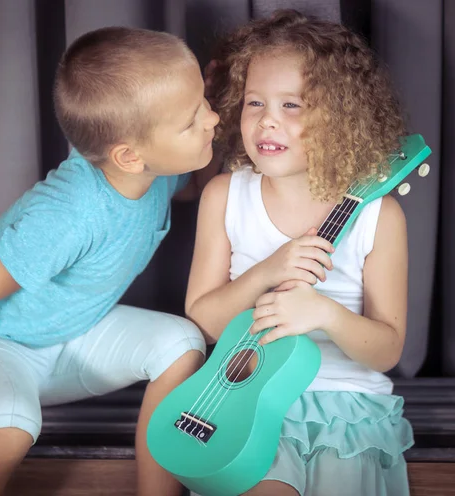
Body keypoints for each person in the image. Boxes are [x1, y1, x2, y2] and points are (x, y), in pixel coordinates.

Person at [0, 26, 220, 496]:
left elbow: (189, 187)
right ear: (130, 156)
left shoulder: (149, 169)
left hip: (76, 333)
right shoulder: (67, 212)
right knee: (14, 421)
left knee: (183, 341)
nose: (211, 120)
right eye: (193, 120)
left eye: (204, 104)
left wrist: (218, 110)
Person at [186, 10, 413, 496]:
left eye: (292, 104)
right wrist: (267, 271)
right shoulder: (224, 196)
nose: (267, 119)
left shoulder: (379, 217)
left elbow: (387, 350)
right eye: (255, 103)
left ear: (343, 115)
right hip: (245, 398)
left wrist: (323, 314)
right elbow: (204, 318)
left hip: (344, 408)